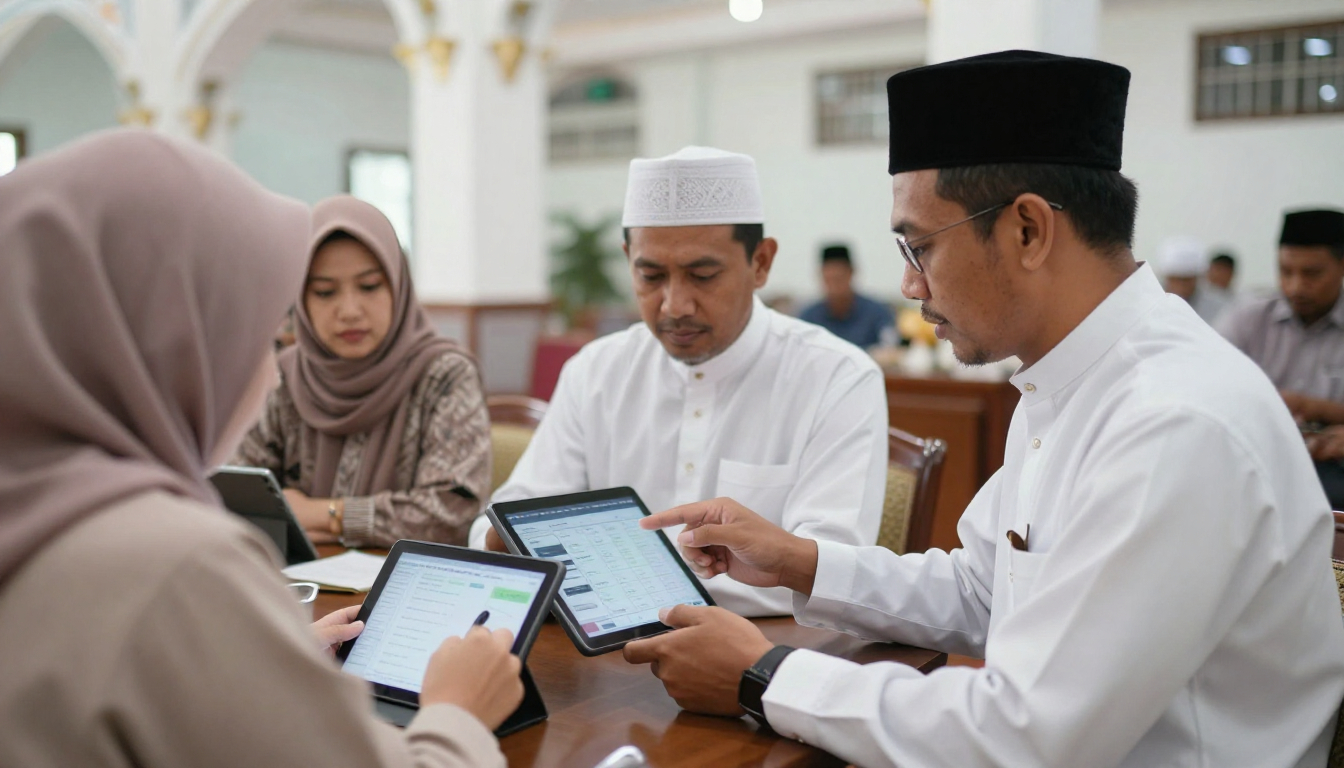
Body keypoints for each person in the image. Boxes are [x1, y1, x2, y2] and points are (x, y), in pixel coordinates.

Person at [619, 51, 1344, 768]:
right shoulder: (1071, 383)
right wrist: (797, 561)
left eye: (918, 245)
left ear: (1027, 230)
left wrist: (763, 674)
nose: (908, 283)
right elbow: (983, 589)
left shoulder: (1175, 422)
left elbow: (1027, 735)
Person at [0, 130, 520, 767]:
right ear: (174, 337)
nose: (274, 370)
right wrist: (457, 714)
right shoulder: (178, 567)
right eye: (250, 325)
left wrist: (254, 657)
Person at [470, 146, 889, 617]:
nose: (674, 305)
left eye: (703, 275)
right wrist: (508, 540)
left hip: (762, 654)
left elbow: (829, 570)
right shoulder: (597, 371)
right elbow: (514, 513)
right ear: (628, 259)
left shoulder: (836, 378)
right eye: (650, 276)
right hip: (601, 648)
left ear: (761, 263)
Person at [234, 196, 491, 548]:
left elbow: (449, 515)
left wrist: (323, 514)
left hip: (417, 589)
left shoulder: (444, 376)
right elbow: (242, 497)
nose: (350, 311)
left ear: (398, 287)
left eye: (369, 286)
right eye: (325, 292)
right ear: (301, 299)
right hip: (300, 585)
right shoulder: (284, 377)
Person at [1219, 209, 1344, 508]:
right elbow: (1203, 384)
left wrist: (1313, 408)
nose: (1296, 286)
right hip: (1256, 460)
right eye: (1286, 271)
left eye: (1312, 273)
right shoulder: (1249, 317)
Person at [798, 244, 896, 348]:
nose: (834, 287)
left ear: (851, 273)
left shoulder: (877, 313)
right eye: (829, 280)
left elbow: (890, 349)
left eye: (839, 279)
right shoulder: (808, 316)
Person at [1157, 235, 1228, 324]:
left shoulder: (1220, 306)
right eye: (1175, 279)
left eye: (1186, 280)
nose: (1181, 286)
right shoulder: (1150, 301)